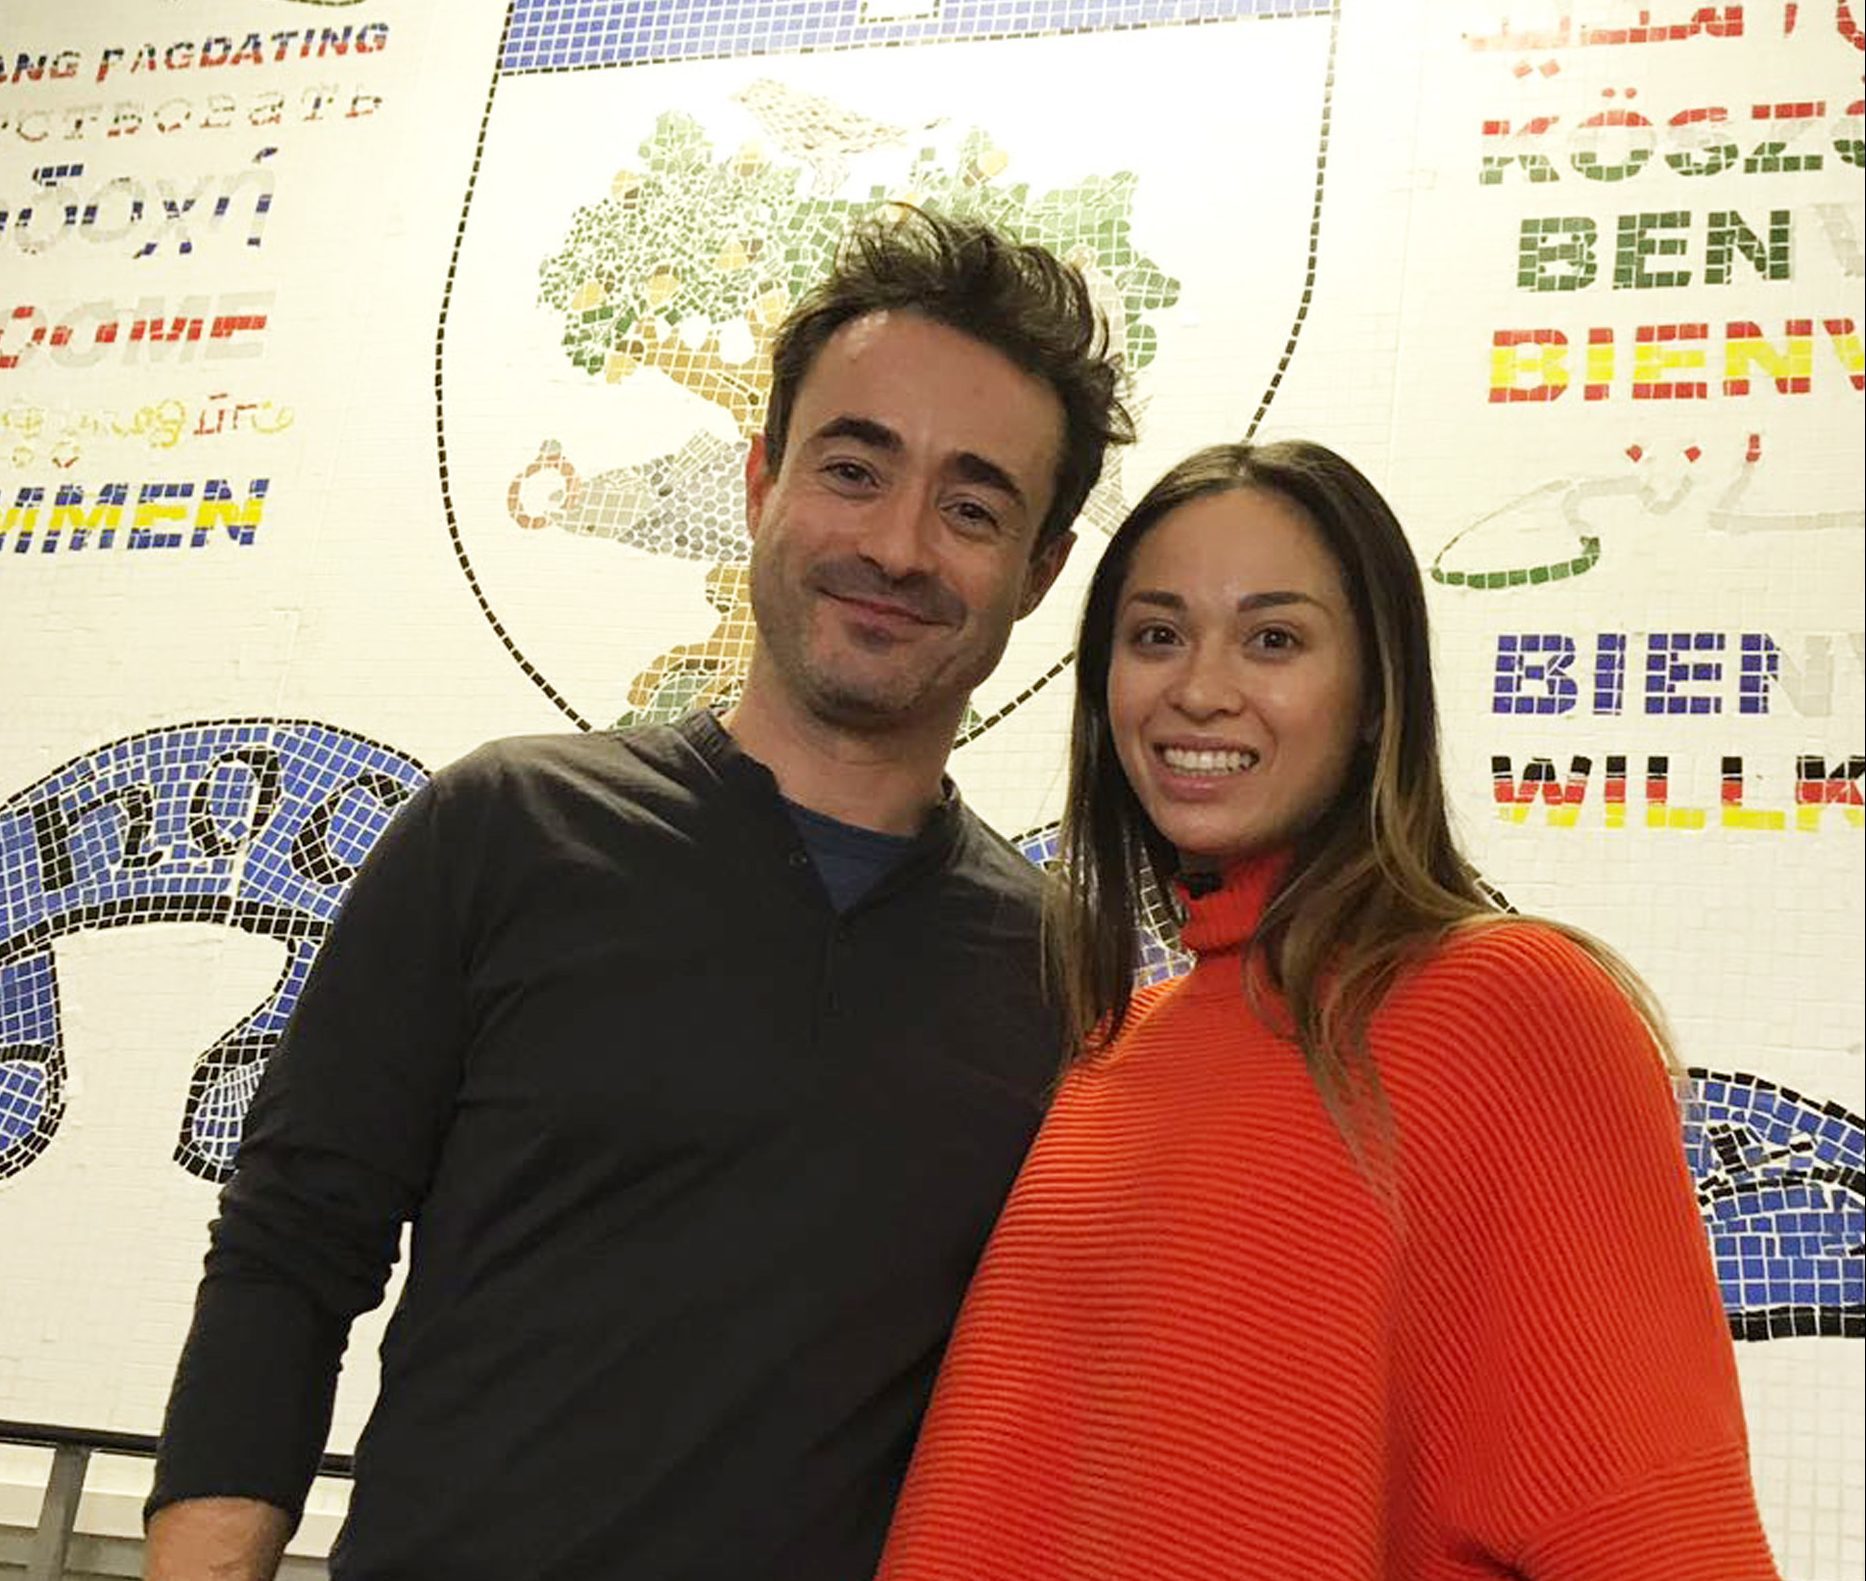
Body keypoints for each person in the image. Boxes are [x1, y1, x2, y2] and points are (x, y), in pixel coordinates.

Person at [143, 207, 1132, 1581]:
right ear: (760, 482)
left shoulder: (1056, 976)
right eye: (854, 467)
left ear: (1038, 573)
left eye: (973, 506)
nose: (900, 546)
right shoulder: (502, 831)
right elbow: (289, 1256)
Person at [876, 440, 1783, 1580]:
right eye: (1156, 634)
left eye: (1274, 638)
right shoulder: (1114, 1052)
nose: (1199, 687)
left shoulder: (1512, 1011)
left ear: (1372, 696)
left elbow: (1656, 1536)